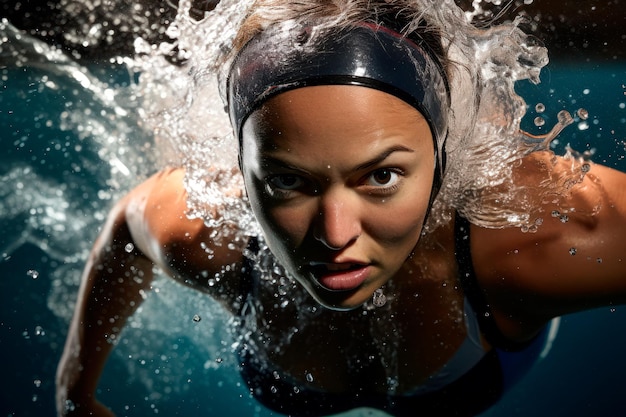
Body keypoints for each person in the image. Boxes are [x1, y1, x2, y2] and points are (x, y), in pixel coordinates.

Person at [55, 0, 626, 416]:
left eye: (380, 176)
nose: (334, 235)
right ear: (243, 171)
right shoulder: (203, 225)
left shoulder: (538, 237)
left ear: (443, 159)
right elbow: (125, 230)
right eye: (286, 181)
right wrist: (74, 390)